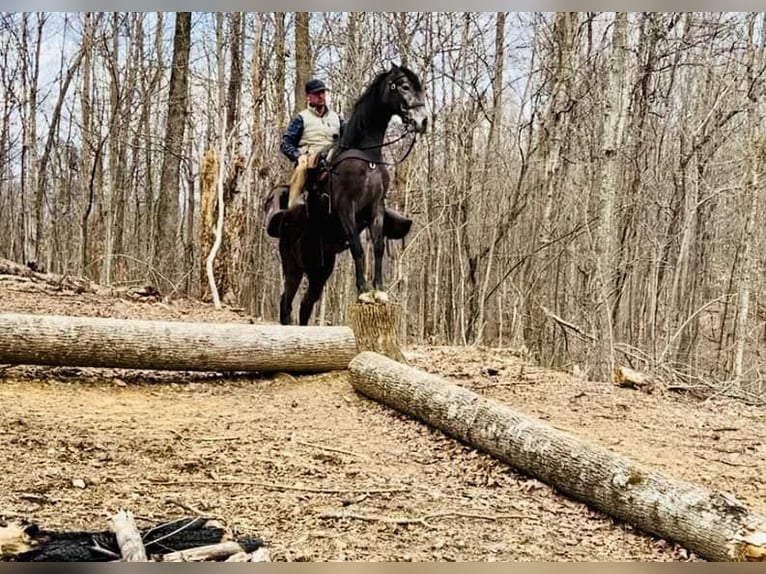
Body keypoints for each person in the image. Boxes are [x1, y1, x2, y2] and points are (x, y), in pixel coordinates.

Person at [280, 78, 344, 208]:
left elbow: (351, 134)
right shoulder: (301, 118)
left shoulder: (336, 117)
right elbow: (286, 143)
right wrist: (298, 156)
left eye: (323, 92)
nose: (321, 96)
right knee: (301, 167)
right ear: (308, 96)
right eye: (317, 93)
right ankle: (293, 206)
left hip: (333, 157)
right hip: (311, 159)